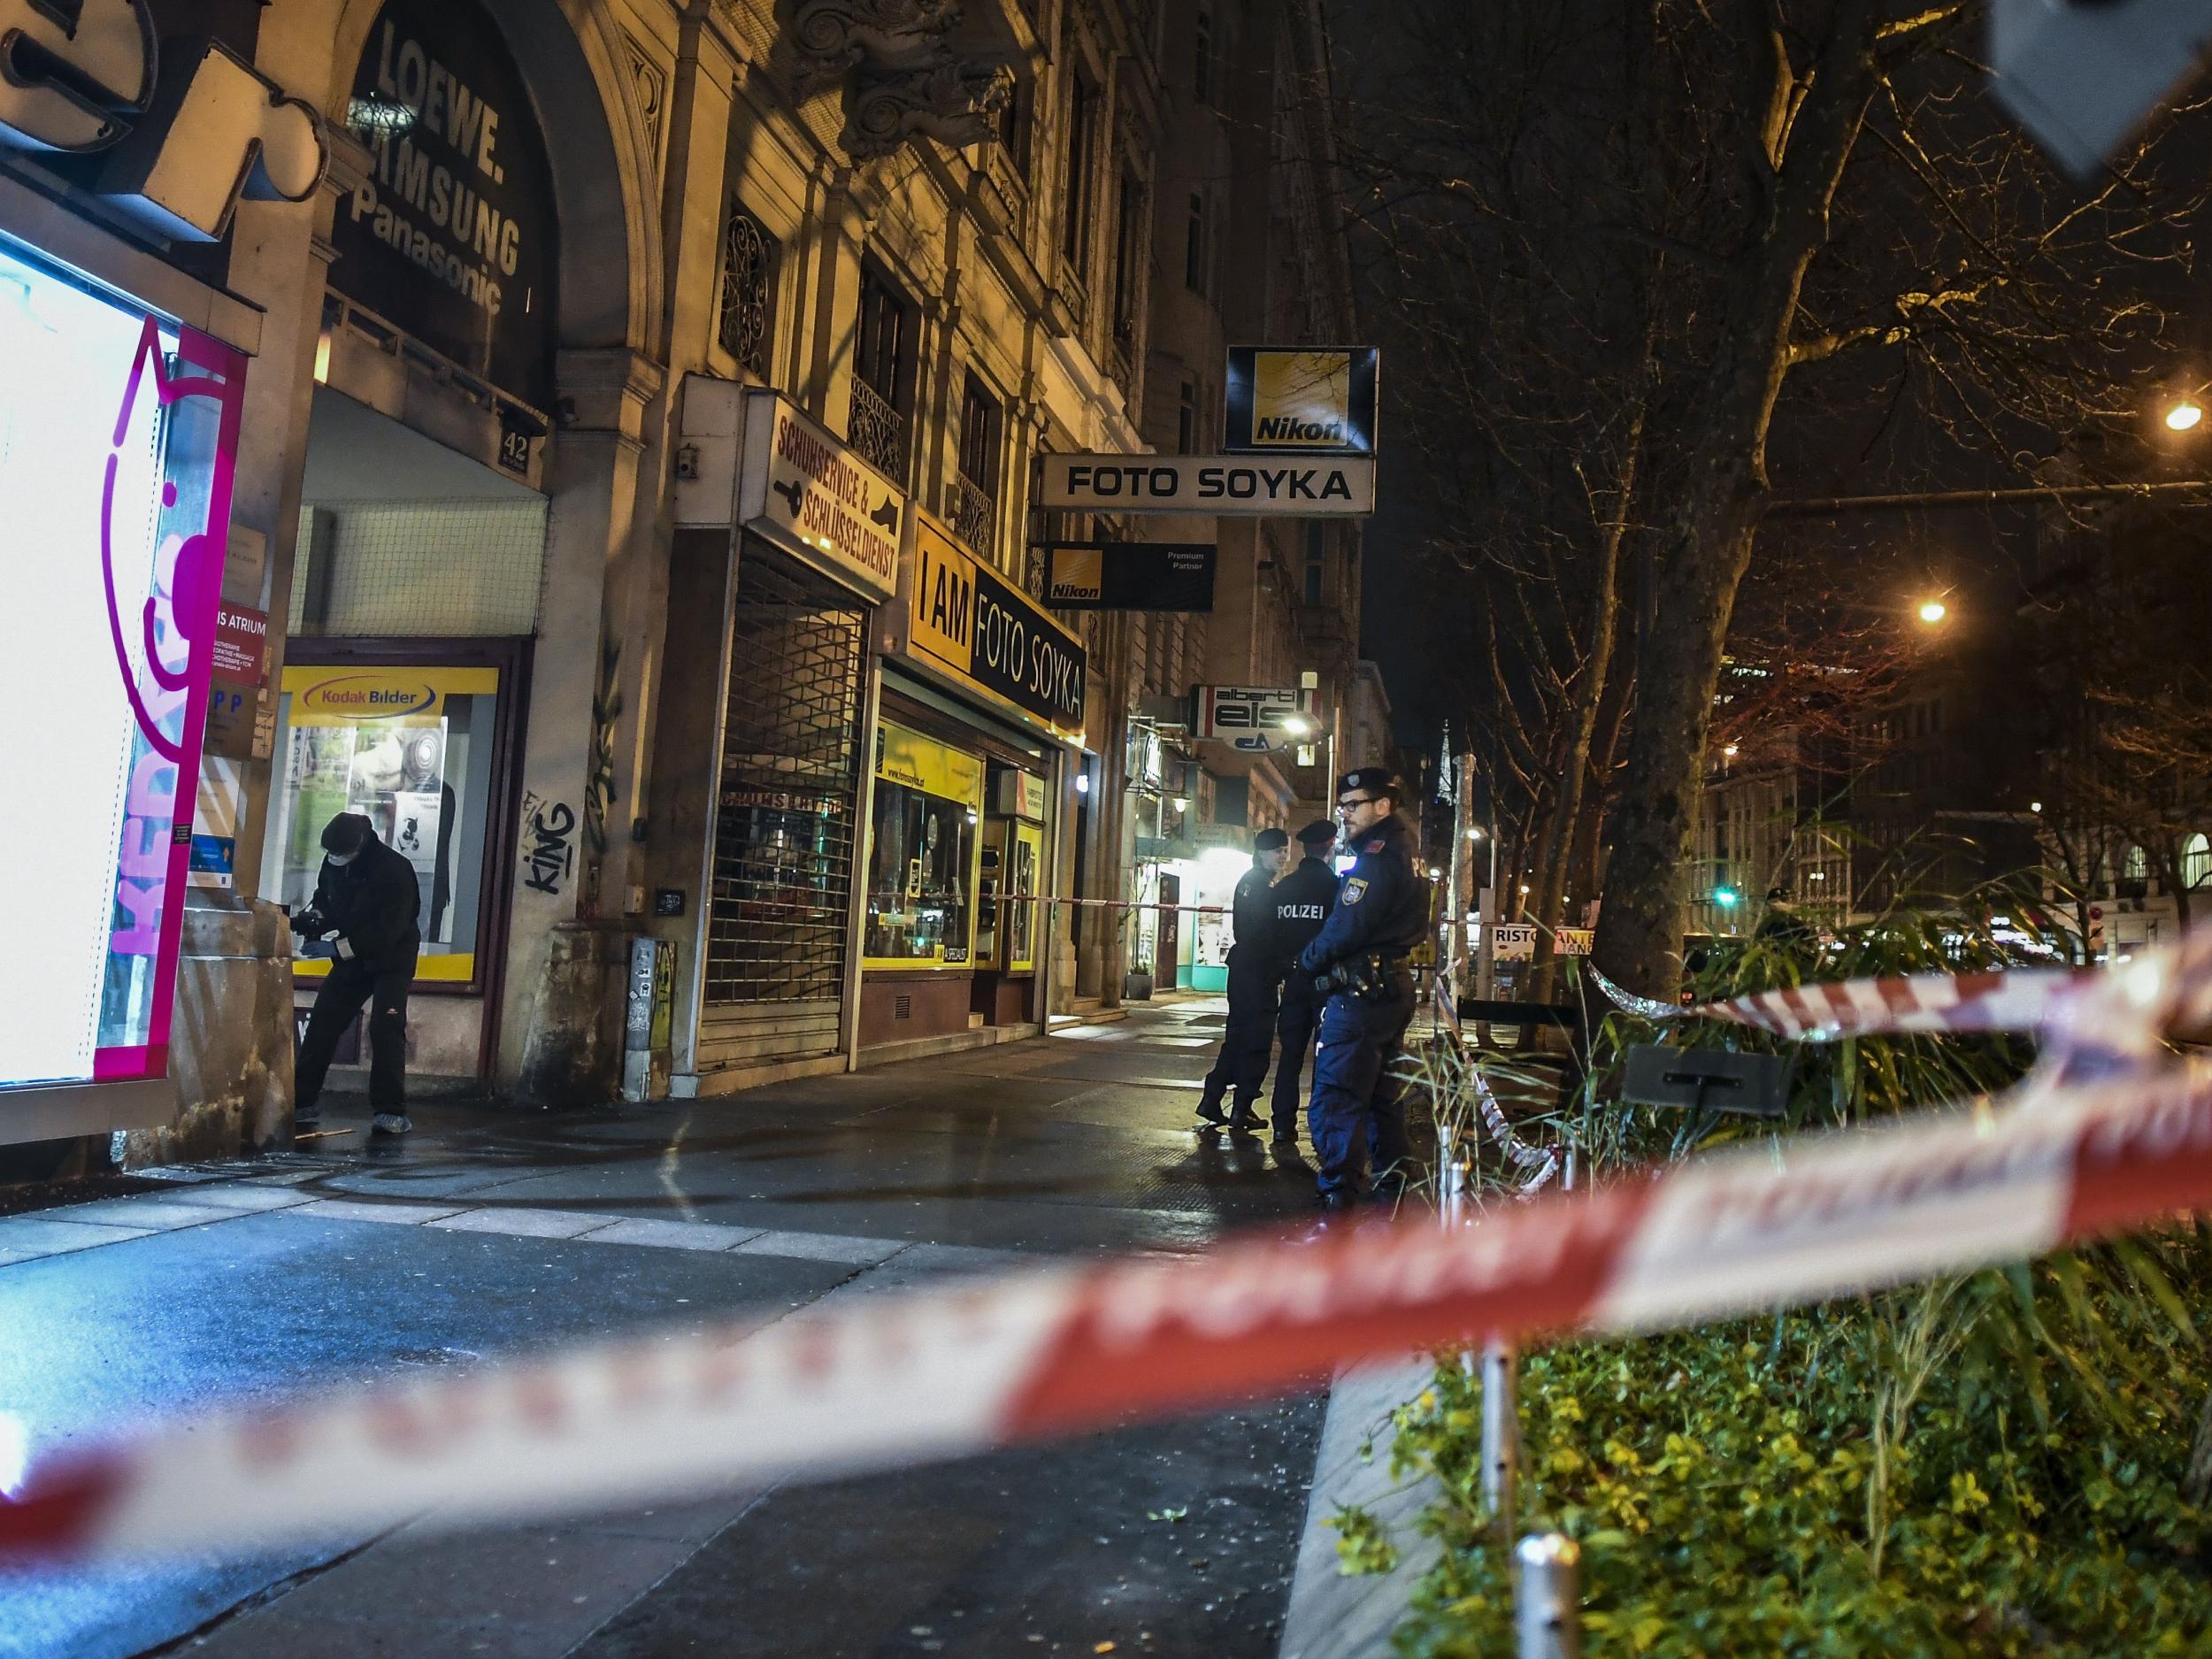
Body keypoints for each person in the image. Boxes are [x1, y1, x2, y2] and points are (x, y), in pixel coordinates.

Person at [1297, 769, 1431, 1212]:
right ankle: (1393, 1182)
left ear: (1383, 806)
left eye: (1353, 805)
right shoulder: (1406, 850)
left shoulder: (1376, 856)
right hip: (1391, 988)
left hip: (1361, 992)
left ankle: (1340, 1187)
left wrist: (1307, 961)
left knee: (1338, 1092)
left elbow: (1347, 926)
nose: (1345, 814)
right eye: (1343, 806)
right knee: (1382, 1096)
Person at [292, 811, 421, 1135]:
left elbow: (389, 929)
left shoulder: (394, 870)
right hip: (353, 959)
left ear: (360, 845)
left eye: (339, 853)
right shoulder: (336, 862)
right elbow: (327, 898)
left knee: (386, 1027)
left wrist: (337, 949)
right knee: (323, 1022)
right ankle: (301, 1101)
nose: (333, 859)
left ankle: (390, 1110)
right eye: (330, 854)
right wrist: (316, 919)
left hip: (392, 960)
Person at [1195, 827, 1291, 1133]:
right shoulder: (1262, 888)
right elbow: (1266, 936)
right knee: (1256, 1042)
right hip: (1258, 973)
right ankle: (1242, 1108)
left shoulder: (1248, 883)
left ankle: (1213, 1098)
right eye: (1278, 851)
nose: (1283, 857)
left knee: (1237, 1039)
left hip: (1243, 971)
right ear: (1261, 853)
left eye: (1285, 851)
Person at [1265, 818, 1340, 1148]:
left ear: (1304, 849)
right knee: (1326, 1058)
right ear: (1330, 848)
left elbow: (1272, 936)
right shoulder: (1336, 890)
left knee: (1291, 1055)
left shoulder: (1283, 889)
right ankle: (1321, 1126)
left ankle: (1282, 1123)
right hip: (1325, 985)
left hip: (1292, 981)